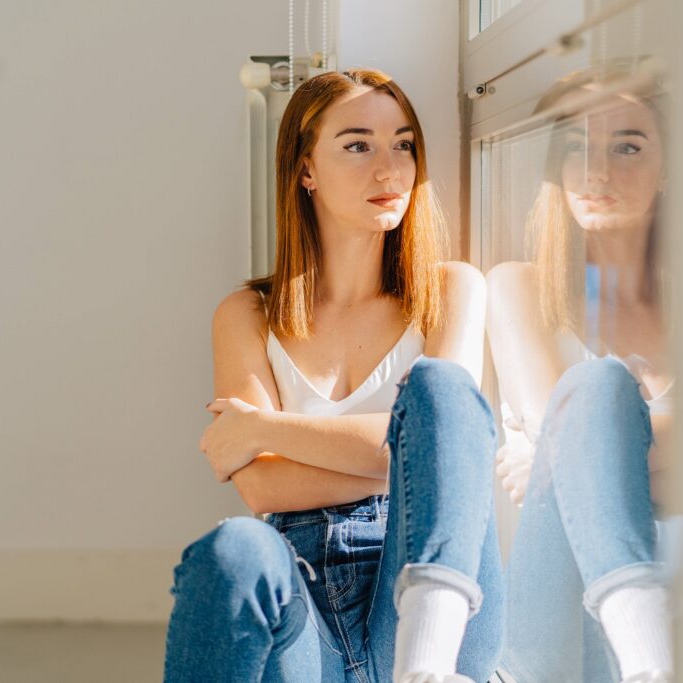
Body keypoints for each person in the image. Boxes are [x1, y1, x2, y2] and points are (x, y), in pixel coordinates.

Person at [164, 69, 504, 683]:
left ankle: (423, 672)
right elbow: (264, 491)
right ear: (305, 170)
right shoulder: (247, 316)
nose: (390, 169)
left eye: (403, 144)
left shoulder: (450, 290)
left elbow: (450, 447)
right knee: (232, 549)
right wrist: (402, 457)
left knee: (443, 395)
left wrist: (265, 428)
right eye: (358, 145)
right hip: (307, 613)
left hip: (432, 607)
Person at [487, 63, 675, 683]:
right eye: (575, 148)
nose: (597, 171)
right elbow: (573, 439)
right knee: (595, 388)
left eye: (627, 146)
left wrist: (552, 454)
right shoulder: (519, 289)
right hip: (555, 630)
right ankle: (650, 659)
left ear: (668, 165)